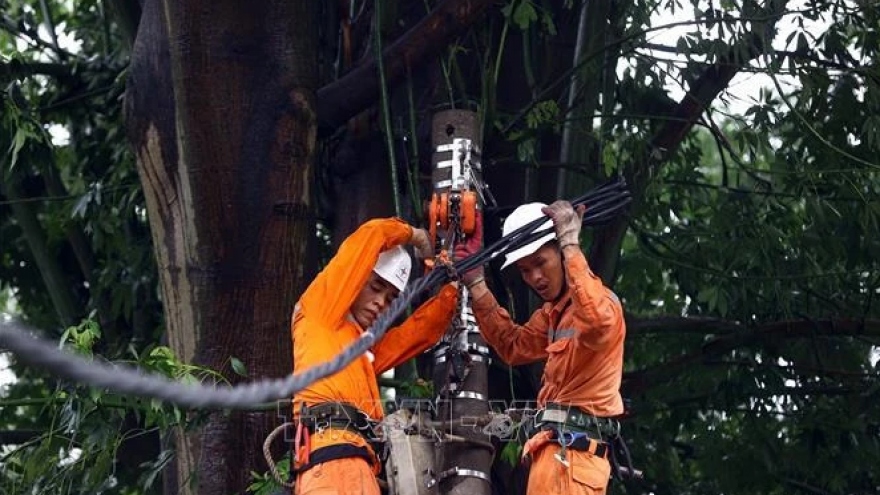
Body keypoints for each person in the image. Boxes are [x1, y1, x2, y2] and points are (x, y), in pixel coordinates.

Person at [455, 200, 626, 495]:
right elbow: (513, 346)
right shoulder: (552, 315)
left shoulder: (602, 305)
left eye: (540, 263)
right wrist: (477, 285)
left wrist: (571, 244)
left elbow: (597, 324)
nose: (535, 277)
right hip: (555, 457)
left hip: (572, 460)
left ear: (561, 253)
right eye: (524, 270)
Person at [290, 217, 458, 495]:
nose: (381, 303)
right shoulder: (321, 310)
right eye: (376, 287)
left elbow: (415, 334)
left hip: (359, 465)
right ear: (357, 279)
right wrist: (416, 236)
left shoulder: (359, 352)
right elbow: (373, 234)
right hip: (331, 465)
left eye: (392, 298)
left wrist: (452, 288)